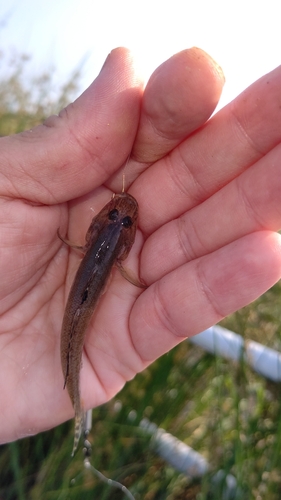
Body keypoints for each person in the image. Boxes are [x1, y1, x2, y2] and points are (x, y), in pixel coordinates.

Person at [1, 47, 281, 444]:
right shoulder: (112, 247)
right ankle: (75, 403)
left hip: (87, 284)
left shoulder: (98, 242)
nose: (120, 215)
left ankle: (77, 402)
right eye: (117, 216)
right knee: (73, 335)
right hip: (83, 287)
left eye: (123, 220)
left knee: (75, 336)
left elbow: (101, 241)